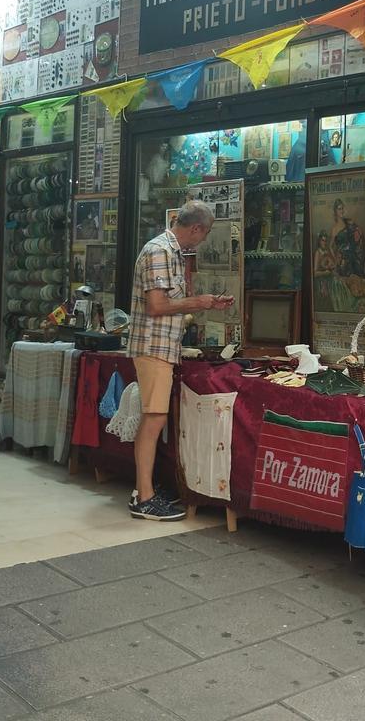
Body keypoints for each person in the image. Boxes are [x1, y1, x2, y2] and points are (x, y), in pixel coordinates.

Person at [126, 200, 232, 520]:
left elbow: (167, 303)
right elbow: (156, 306)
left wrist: (204, 305)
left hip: (162, 347)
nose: (204, 239)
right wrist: (197, 302)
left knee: (154, 418)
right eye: (206, 232)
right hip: (153, 347)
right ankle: (144, 496)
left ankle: (145, 491)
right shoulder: (159, 251)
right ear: (195, 228)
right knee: (154, 418)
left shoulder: (171, 252)